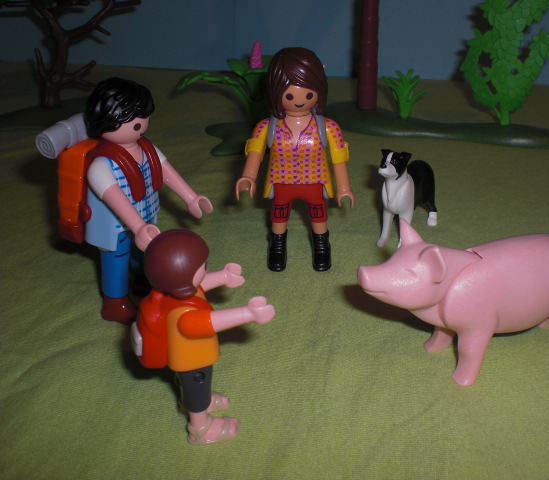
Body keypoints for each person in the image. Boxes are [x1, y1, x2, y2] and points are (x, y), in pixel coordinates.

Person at [84, 77, 213, 324]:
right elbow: (114, 196)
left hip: (145, 217)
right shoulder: (100, 165)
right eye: (130, 118)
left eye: (142, 116)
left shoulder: (146, 149)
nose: (140, 123)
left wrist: (191, 197)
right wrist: (138, 226)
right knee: (116, 260)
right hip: (115, 227)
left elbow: (165, 170)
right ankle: (115, 303)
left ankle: (143, 281)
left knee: (143, 254)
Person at [135, 229, 275, 445]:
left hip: (185, 360)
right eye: (202, 266)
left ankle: (192, 402)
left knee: (192, 388)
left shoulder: (168, 292)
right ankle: (200, 428)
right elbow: (212, 321)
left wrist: (224, 276)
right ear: (183, 277)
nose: (205, 267)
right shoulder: (185, 316)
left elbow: (199, 285)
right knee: (197, 392)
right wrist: (248, 313)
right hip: (192, 362)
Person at [235, 47, 354, 272]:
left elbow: (339, 158)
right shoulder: (266, 127)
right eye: (289, 96)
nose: (299, 101)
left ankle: (321, 245)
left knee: (318, 215)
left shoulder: (328, 128)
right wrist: (248, 176)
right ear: (275, 92)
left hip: (315, 182)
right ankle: (277, 246)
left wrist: (344, 188)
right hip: (282, 182)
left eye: (309, 95)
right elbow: (255, 153)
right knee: (279, 216)